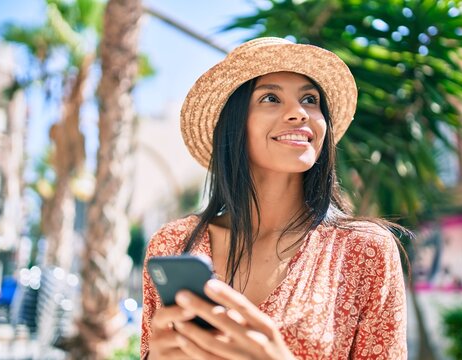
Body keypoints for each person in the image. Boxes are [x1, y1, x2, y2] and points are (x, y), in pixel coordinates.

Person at [141, 37, 407, 359]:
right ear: (234, 124)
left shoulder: (364, 250)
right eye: (270, 98)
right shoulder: (173, 244)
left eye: (310, 99)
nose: (299, 113)